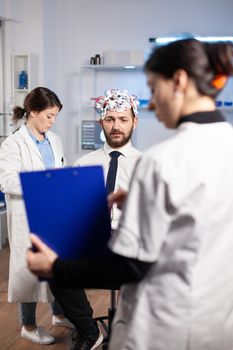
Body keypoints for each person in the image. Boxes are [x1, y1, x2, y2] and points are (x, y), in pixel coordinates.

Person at [27, 38, 233, 350]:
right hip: (218, 320)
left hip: (167, 326)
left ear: (177, 80)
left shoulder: (160, 160)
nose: (152, 103)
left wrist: (55, 267)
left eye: (153, 89)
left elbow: (132, 265)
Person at [48, 88, 141, 350]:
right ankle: (89, 331)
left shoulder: (148, 165)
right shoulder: (84, 163)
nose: (116, 126)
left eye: (123, 119)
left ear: (134, 121)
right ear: (101, 122)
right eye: (110, 119)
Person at [0, 87, 73, 345]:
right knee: (29, 268)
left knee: (54, 263)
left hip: (52, 211)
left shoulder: (54, 140)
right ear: (32, 112)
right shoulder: (13, 144)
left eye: (55, 117)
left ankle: (58, 313)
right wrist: (44, 185)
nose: (53, 122)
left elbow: (59, 170)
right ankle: (28, 325)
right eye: (49, 116)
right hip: (27, 214)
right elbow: (7, 181)